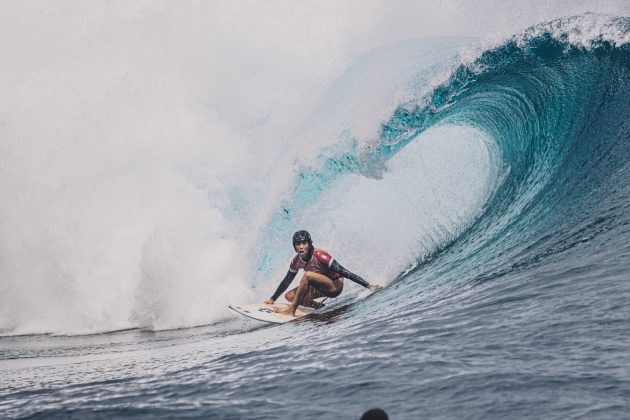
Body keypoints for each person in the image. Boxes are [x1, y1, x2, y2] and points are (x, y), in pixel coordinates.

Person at [265, 230, 381, 316]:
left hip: (334, 286)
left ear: (309, 244)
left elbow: (344, 271)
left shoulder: (320, 256)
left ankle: (291, 310)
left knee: (307, 276)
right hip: (319, 288)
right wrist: (273, 298)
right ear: (294, 246)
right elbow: (287, 280)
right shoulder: (296, 261)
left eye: (304, 243)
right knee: (289, 296)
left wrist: (367, 285)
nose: (301, 247)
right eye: (298, 244)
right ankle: (319, 307)